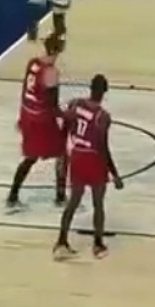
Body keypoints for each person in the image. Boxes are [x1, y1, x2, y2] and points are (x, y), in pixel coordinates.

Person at [55, 74, 123, 260]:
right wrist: (115, 174)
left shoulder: (75, 104)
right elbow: (103, 147)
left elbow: (65, 125)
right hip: (94, 159)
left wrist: (64, 152)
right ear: (104, 92)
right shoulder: (103, 117)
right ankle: (98, 244)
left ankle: (61, 242)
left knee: (73, 202)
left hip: (77, 156)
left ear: (90, 88)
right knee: (98, 204)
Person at [6, 34, 67, 213]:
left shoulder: (33, 63)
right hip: (42, 119)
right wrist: (69, 114)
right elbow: (53, 106)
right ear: (58, 49)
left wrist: (21, 117)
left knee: (30, 157)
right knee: (63, 153)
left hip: (28, 113)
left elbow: (25, 91)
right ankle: (61, 197)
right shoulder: (51, 72)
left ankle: (13, 195)